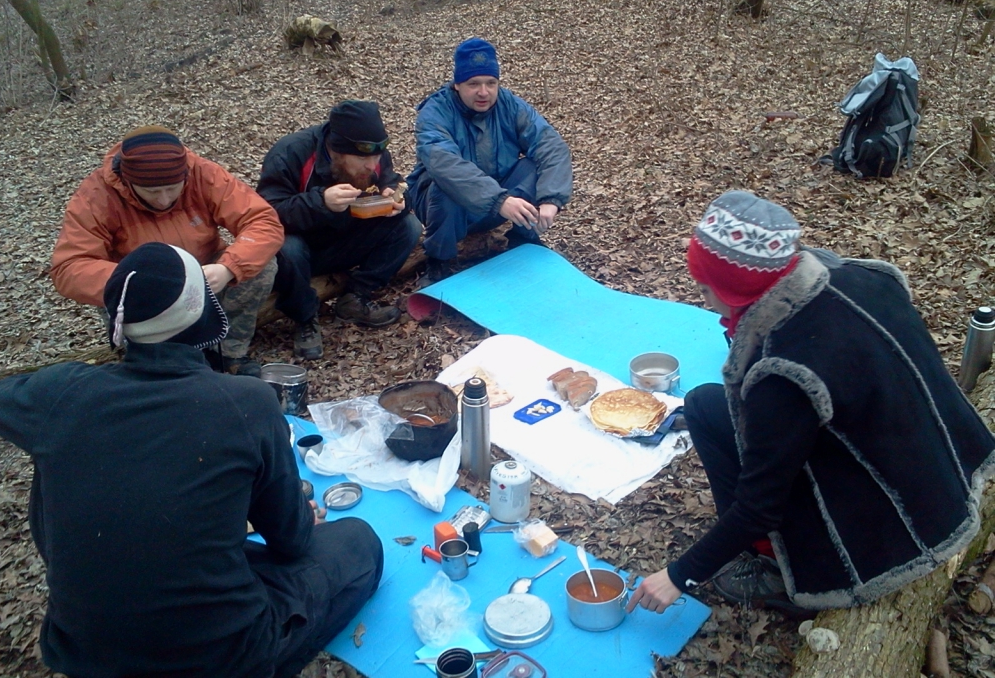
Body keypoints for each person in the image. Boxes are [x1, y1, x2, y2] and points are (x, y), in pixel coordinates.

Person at [0, 243, 384, 677]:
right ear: (203, 313)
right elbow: (292, 543)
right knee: (359, 542)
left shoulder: (59, 394)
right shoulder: (246, 402)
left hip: (81, 651)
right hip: (220, 657)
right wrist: (301, 519)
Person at [627, 191, 995, 616]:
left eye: (705, 286)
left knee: (754, 473)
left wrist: (678, 575)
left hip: (891, 519)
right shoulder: (858, 277)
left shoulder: (785, 371)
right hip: (941, 464)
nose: (702, 296)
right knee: (704, 404)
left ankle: (774, 564)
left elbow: (759, 506)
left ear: (732, 287)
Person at [50, 126, 283, 377]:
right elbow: (69, 266)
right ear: (128, 181)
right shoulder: (97, 195)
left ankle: (229, 352)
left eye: (173, 188)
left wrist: (227, 268)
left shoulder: (202, 173)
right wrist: (135, 281)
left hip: (203, 269)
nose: (164, 200)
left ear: (185, 175)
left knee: (261, 265)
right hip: (140, 286)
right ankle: (158, 366)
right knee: (156, 368)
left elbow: (262, 221)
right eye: (152, 192)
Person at [257, 100, 422, 360]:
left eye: (377, 157)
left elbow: (393, 182)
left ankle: (355, 297)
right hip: (302, 253)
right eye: (362, 158)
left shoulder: (374, 153)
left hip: (347, 239)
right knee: (287, 246)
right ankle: (305, 318)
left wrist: (398, 199)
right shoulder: (291, 153)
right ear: (336, 150)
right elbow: (265, 215)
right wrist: (320, 202)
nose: (371, 165)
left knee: (408, 225)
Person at [407, 37, 573, 284]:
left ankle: (523, 238)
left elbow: (551, 146)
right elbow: (444, 164)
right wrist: (499, 200)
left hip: (498, 199)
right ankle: (439, 261)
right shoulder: (435, 112)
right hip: (443, 207)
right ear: (457, 84)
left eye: (490, 83)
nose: (483, 92)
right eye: (473, 84)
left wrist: (551, 199)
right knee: (445, 185)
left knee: (534, 166)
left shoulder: (510, 105)